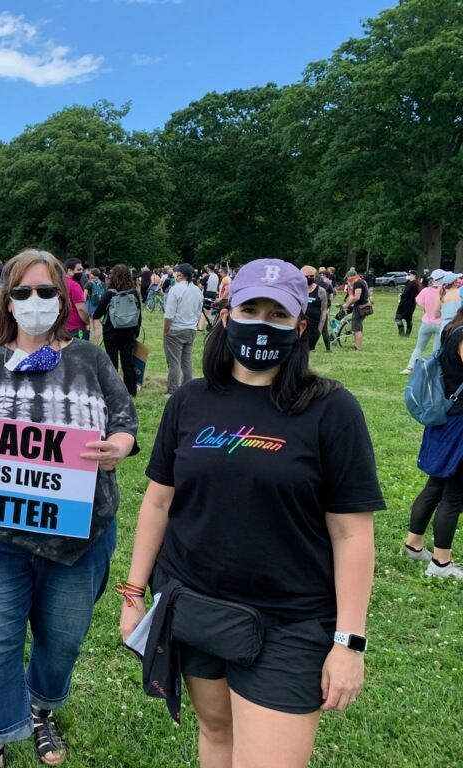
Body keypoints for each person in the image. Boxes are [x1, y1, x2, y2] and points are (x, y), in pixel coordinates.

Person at [120, 258, 383, 768]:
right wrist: (133, 594)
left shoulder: (331, 409)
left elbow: (353, 535)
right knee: (216, 734)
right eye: (250, 308)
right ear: (225, 316)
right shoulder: (190, 401)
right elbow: (157, 502)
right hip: (194, 604)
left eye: (278, 315)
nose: (262, 322)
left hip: (289, 623)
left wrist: (349, 641)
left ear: (300, 326)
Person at [0, 248, 138, 768]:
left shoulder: (90, 358)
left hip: (80, 530)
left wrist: (120, 444)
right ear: (6, 300)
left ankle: (40, 708)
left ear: (63, 299)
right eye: (22, 292)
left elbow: (125, 418)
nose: (34, 301)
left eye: (46, 292)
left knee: (62, 641)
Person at [404, 305, 463, 579]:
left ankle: (414, 544)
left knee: (435, 485)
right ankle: (441, 563)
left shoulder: (452, 327)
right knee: (453, 494)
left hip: (446, 418)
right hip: (457, 423)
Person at [93, 264, 142, 396]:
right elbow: (139, 313)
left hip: (111, 332)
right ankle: (131, 391)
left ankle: (114, 392)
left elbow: (97, 314)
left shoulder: (109, 294)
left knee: (112, 362)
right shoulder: (133, 292)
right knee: (128, 362)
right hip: (129, 331)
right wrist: (136, 331)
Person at [163, 263, 203, 395]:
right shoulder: (197, 290)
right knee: (186, 361)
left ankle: (172, 391)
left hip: (175, 329)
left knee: (174, 362)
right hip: (190, 329)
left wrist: (166, 330)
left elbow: (169, 314)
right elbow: (198, 311)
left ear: (180, 275)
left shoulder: (175, 289)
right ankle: (187, 388)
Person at [403, 271, 443, 374]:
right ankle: (433, 370)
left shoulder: (425, 291)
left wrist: (427, 310)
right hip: (440, 323)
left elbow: (420, 303)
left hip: (426, 322)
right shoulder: (444, 292)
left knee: (419, 347)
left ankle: (410, 367)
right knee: (436, 349)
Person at [340, 268, 371, 352]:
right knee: (357, 327)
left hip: (360, 307)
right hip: (364, 306)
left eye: (348, 278)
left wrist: (347, 304)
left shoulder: (357, 283)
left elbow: (356, 297)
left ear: (351, 276)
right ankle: (356, 345)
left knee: (357, 329)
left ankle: (357, 348)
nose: (347, 280)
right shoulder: (362, 282)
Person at [301, 265, 329, 352]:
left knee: (310, 349)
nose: (309, 278)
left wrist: (320, 328)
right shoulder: (299, 290)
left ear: (315, 276)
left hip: (315, 325)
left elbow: (324, 310)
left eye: (311, 276)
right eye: (306, 276)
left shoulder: (321, 291)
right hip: (301, 324)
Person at [62, 258, 90, 339]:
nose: (81, 272)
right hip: (76, 329)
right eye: (78, 269)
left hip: (62, 328)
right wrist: (88, 322)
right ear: (69, 270)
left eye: (82, 269)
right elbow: (81, 309)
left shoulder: (60, 283)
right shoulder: (74, 285)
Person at [396, 271, 422, 337]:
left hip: (405, 304)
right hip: (412, 304)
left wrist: (401, 295)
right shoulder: (416, 284)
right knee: (409, 319)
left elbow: (406, 294)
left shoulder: (412, 284)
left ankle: (401, 333)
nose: (408, 276)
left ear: (413, 275)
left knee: (398, 318)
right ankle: (407, 334)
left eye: (409, 274)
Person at [85, 268, 106, 346]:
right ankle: (96, 344)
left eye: (90, 273)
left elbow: (84, 297)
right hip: (99, 307)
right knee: (97, 326)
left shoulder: (89, 283)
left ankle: (87, 343)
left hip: (89, 306)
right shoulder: (103, 284)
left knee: (88, 325)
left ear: (92, 274)